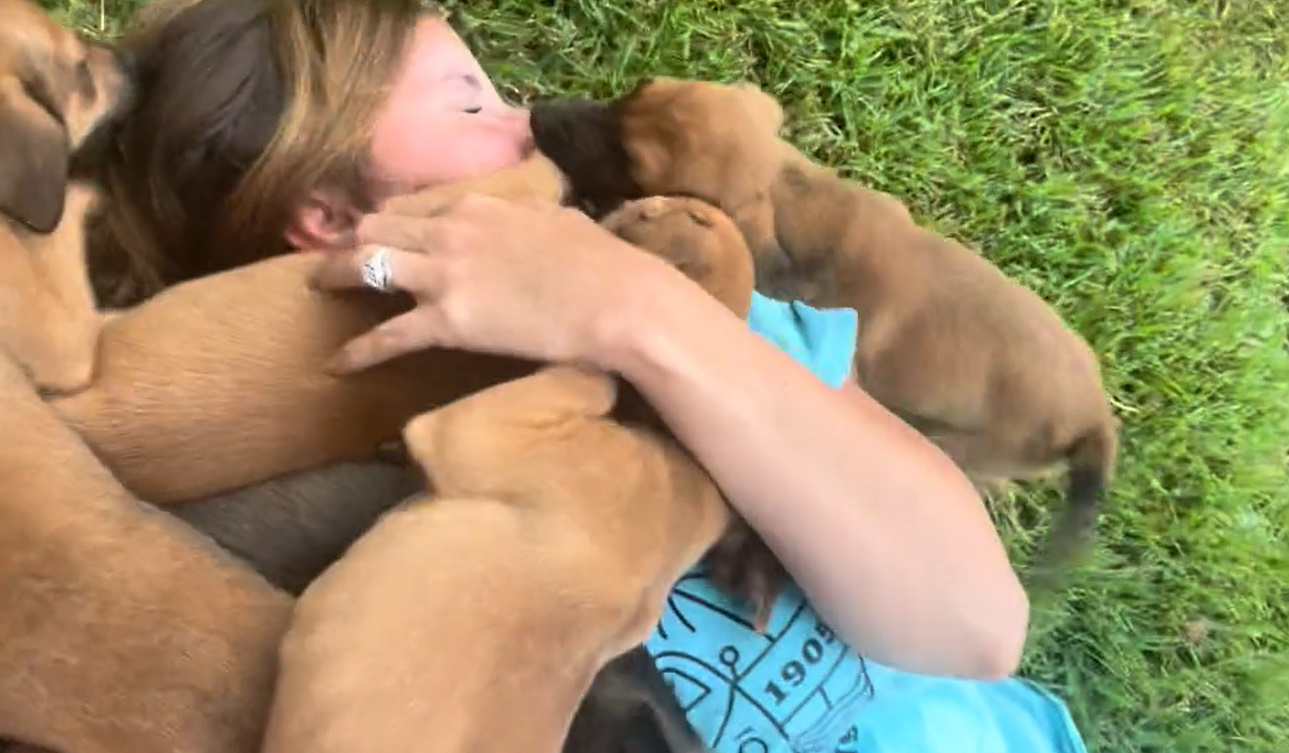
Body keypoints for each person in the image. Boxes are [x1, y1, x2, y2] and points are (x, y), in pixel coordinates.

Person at [95, 1, 1087, 751]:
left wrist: (635, 315)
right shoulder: (246, 492)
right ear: (326, 215)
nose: (529, 123)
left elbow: (973, 623)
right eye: (473, 101)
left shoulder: (689, 281)